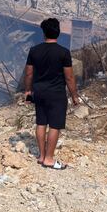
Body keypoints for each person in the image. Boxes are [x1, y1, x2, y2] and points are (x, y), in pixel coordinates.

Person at [24, 18, 79, 170]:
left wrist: (28, 91)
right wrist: (74, 96)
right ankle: (49, 158)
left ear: (43, 33)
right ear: (58, 32)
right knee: (55, 125)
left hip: (39, 92)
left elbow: (29, 73)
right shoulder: (63, 52)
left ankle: (41, 156)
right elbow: (69, 77)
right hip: (56, 94)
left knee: (41, 123)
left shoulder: (34, 51)